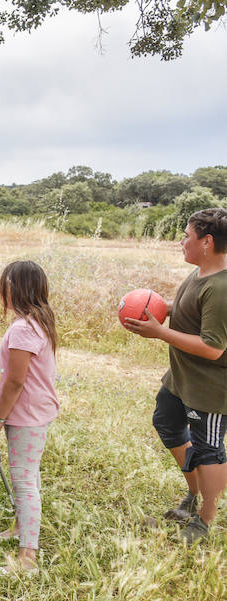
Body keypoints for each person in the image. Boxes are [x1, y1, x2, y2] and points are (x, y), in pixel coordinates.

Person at [124, 208, 227, 544]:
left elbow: (213, 348)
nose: (181, 241)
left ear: (207, 241)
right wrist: (153, 308)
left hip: (210, 390)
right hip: (181, 379)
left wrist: (160, 333)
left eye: (187, 235)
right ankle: (194, 494)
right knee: (167, 423)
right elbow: (187, 309)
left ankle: (204, 521)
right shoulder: (199, 273)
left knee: (209, 449)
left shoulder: (221, 288)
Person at [0, 260, 59, 574]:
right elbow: (18, 364)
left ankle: (28, 557)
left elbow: (17, 380)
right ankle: (18, 527)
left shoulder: (24, 328)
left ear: (13, 290)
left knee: (24, 482)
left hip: (26, 415)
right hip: (36, 411)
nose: (3, 292)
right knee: (30, 475)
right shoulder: (38, 320)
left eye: (5, 286)